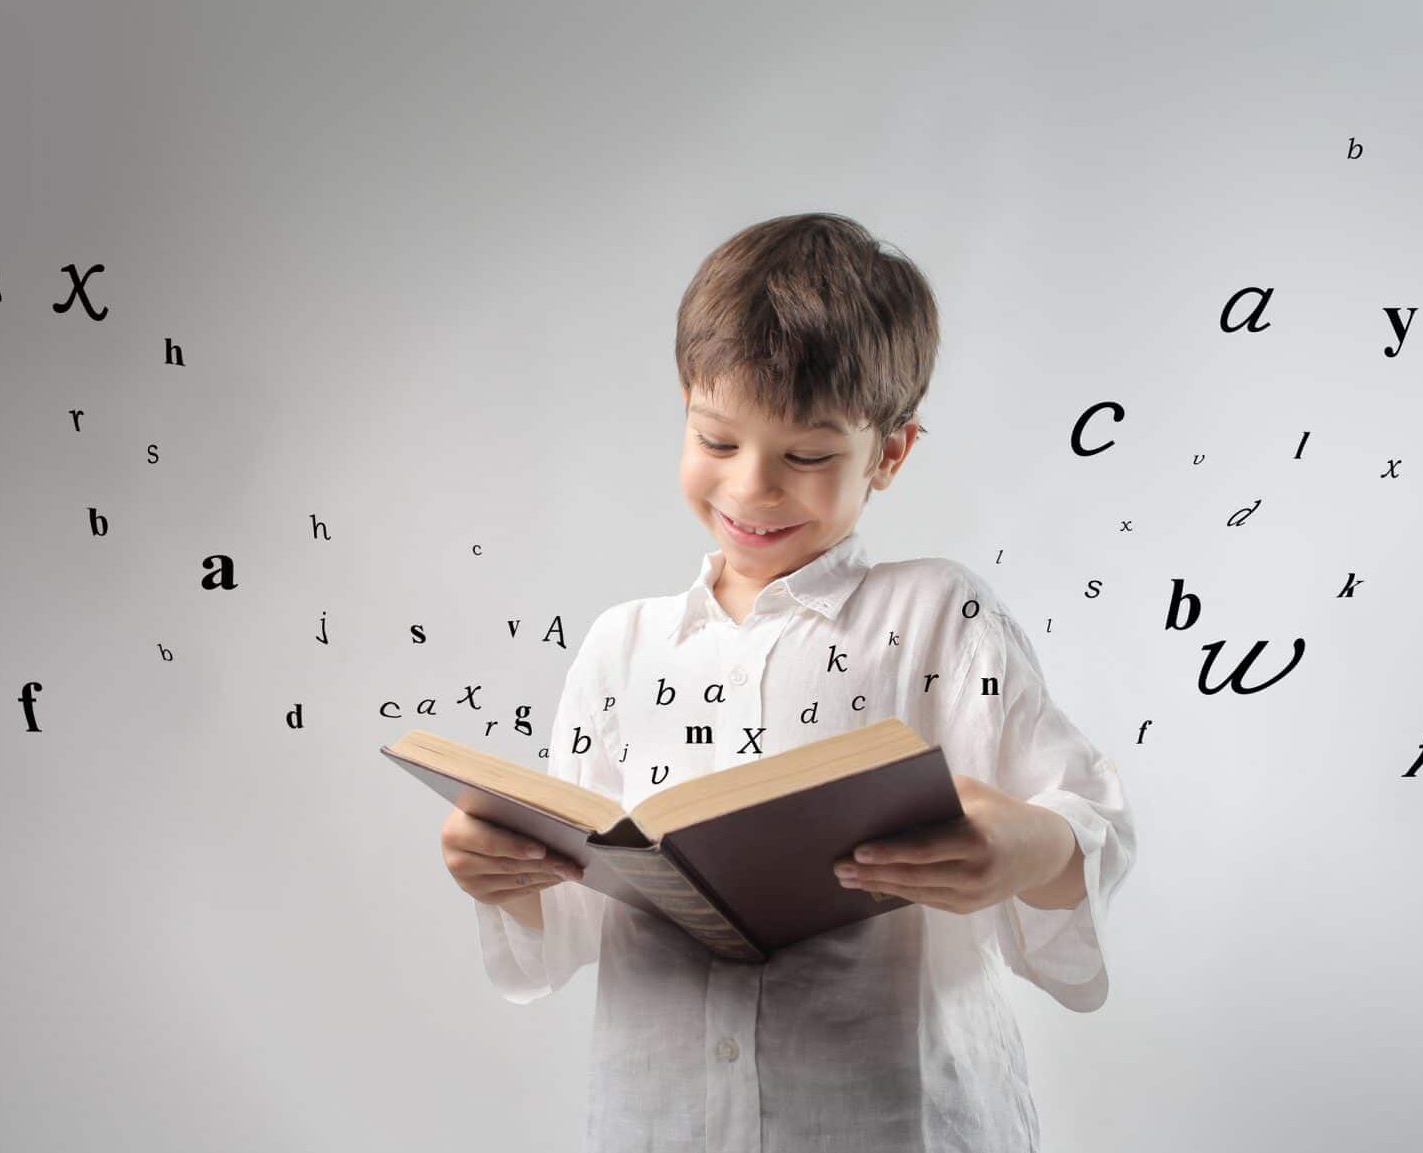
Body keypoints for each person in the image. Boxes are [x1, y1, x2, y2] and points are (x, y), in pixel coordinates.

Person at [440, 212, 1136, 1152]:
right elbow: (568, 918)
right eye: (716, 441)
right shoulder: (620, 645)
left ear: (889, 453)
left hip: (896, 1120)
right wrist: (503, 871)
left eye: (807, 456)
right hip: (665, 1122)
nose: (752, 487)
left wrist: (1032, 847)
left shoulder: (936, 614)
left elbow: (1091, 819)